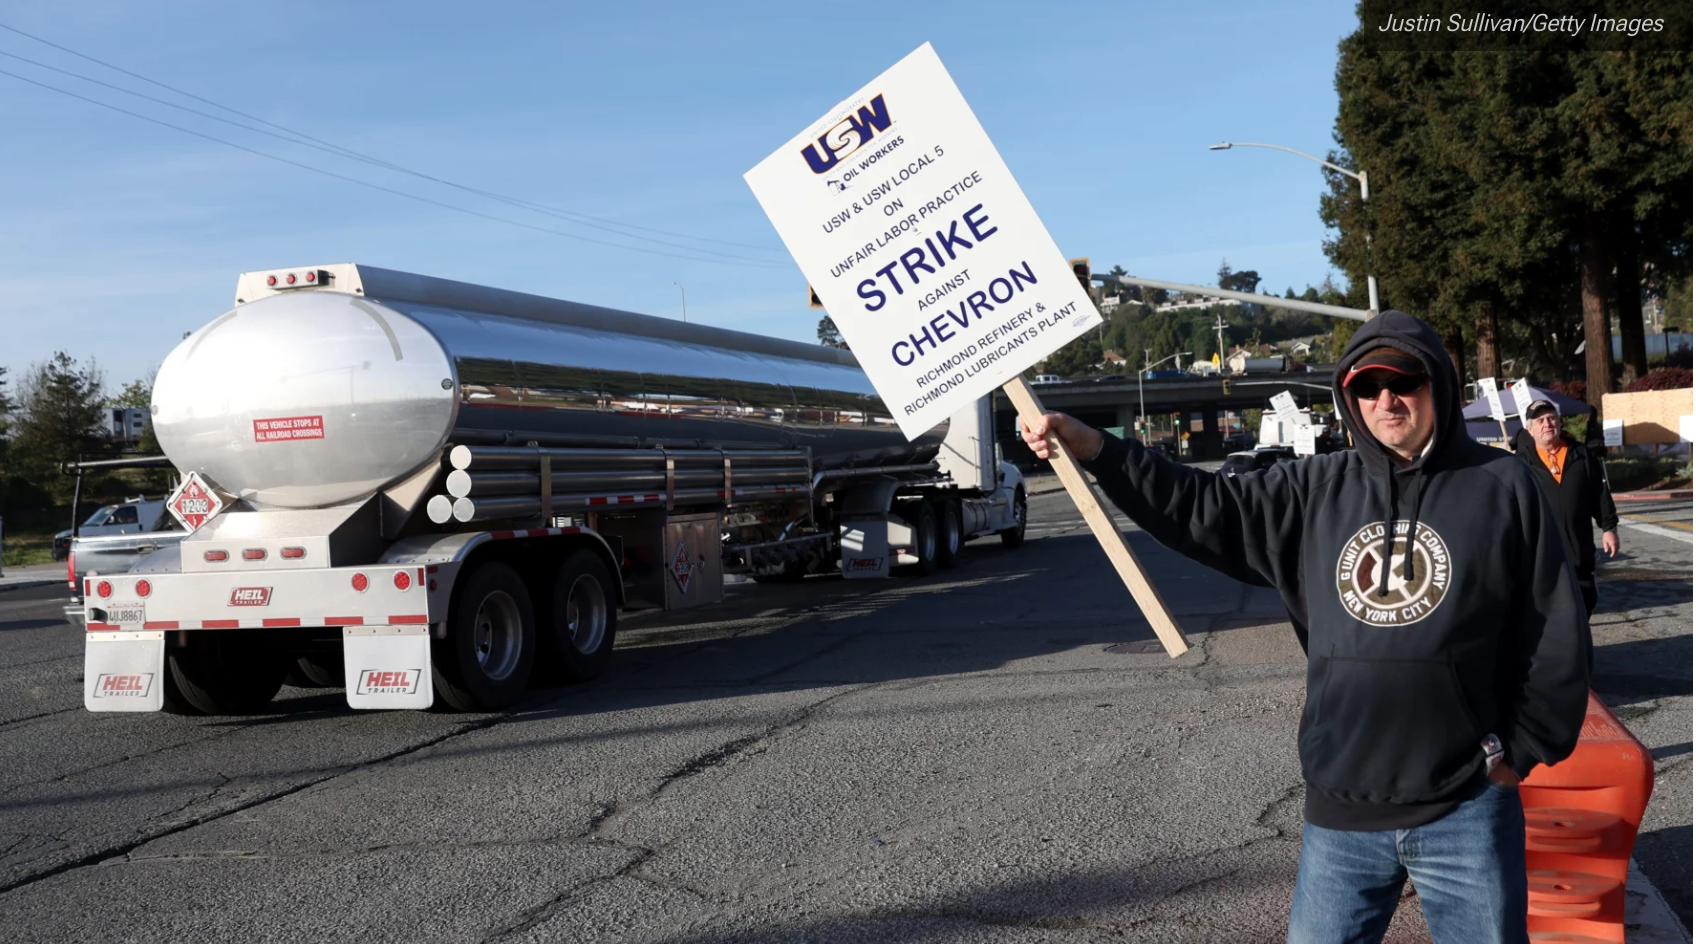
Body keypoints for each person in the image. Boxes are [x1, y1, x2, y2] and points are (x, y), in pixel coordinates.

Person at [1021, 311, 1590, 944]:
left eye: (1404, 380)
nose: (1387, 399)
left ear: (1439, 387)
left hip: (1466, 808)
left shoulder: (1503, 485)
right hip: (1341, 814)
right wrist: (1094, 446)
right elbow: (1198, 505)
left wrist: (1519, 751)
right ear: (1350, 397)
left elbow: (1554, 631)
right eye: (1368, 387)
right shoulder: (1314, 490)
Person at [1512, 399, 1619, 616]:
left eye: (1551, 418)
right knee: (1547, 615)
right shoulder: (1520, 463)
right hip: (1541, 557)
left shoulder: (1582, 455)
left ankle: (1580, 648)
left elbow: (1600, 495)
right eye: (1540, 420)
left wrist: (1609, 528)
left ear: (1560, 423)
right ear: (1529, 429)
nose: (1547, 424)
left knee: (1584, 605)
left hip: (1579, 553)